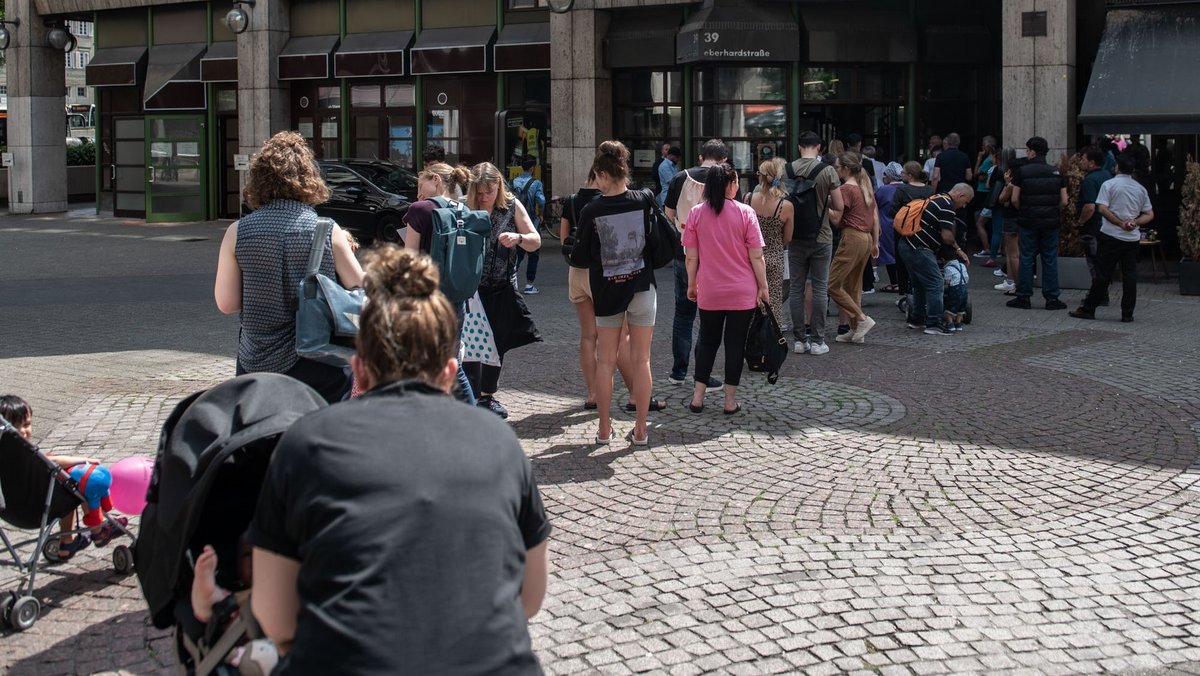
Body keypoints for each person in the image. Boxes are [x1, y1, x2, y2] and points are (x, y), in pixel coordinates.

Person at [250, 246, 550, 674]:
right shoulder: (500, 443)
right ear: (450, 373)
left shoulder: (306, 443)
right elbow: (529, 598)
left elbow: (275, 617)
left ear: (358, 369)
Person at [214, 131, 364, 404]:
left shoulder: (237, 232)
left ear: (258, 180)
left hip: (255, 360)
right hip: (318, 358)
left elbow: (226, 303)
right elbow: (360, 285)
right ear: (309, 178)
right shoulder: (328, 231)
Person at [571, 141, 657, 446]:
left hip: (607, 291)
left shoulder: (592, 210)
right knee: (642, 359)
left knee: (605, 361)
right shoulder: (644, 199)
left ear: (602, 175)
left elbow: (580, 258)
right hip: (642, 286)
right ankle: (642, 430)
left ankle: (605, 429)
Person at [560, 172, 654, 413]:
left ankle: (592, 394)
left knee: (588, 336)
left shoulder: (571, 201)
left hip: (576, 274)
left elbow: (564, 243)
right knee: (618, 337)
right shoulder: (607, 202)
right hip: (602, 275)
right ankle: (636, 394)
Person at [683, 163, 769, 415]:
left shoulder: (697, 213)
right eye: (736, 182)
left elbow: (691, 257)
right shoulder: (746, 213)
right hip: (741, 292)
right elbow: (756, 256)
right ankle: (729, 402)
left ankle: (697, 398)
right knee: (735, 345)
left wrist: (691, 284)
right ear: (731, 184)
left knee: (707, 342)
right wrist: (763, 288)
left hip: (709, 290)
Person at [0, 395, 127, 561]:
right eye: (17, 428)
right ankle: (99, 529)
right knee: (75, 483)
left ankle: (67, 543)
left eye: (27, 425)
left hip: (12, 513)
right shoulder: (25, 455)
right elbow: (51, 462)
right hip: (38, 511)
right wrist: (83, 460)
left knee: (61, 486)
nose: (23, 431)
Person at [465, 162, 542, 418]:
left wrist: (518, 238)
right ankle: (470, 394)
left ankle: (487, 395)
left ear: (498, 186)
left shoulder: (511, 206)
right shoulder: (464, 208)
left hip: (502, 286)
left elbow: (535, 241)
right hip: (470, 288)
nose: (484, 197)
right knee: (469, 341)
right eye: (479, 192)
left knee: (497, 342)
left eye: (488, 191)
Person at [402, 161, 478, 405]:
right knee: (450, 364)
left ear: (435, 178)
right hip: (456, 297)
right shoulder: (463, 209)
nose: (418, 193)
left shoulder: (420, 209)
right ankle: (471, 420)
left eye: (419, 184)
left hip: (424, 298)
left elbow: (409, 258)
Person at [663, 139, 731, 387]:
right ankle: (702, 374)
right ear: (724, 159)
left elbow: (668, 214)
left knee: (683, 313)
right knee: (709, 318)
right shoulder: (727, 179)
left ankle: (678, 371)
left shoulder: (680, 177)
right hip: (716, 257)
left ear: (701, 156)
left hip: (684, 254)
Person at [1070, 154, 1154, 323]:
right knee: (1130, 275)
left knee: (1103, 273)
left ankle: (1089, 307)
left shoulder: (1109, 185)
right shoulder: (1140, 189)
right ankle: (1127, 313)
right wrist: (1134, 222)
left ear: (1117, 167)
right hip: (1132, 238)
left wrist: (1119, 223)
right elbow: (1149, 214)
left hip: (1111, 236)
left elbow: (1102, 208)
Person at [788, 131, 845, 356]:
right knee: (820, 287)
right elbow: (839, 206)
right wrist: (824, 199)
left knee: (796, 288)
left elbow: (779, 196)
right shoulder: (827, 170)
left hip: (795, 236)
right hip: (821, 236)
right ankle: (818, 339)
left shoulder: (787, 169)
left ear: (799, 147)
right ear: (820, 148)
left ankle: (799, 340)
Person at [896, 184, 974, 335]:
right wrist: (958, 250)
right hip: (919, 248)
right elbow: (947, 235)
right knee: (936, 283)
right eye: (965, 202)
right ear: (960, 195)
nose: (963, 206)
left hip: (907, 245)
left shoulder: (937, 198)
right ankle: (933, 323)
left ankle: (917, 319)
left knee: (919, 284)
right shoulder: (947, 205)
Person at [1007, 136, 1069, 310]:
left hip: (1028, 220)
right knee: (1049, 258)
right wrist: (1053, 210)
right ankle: (1052, 298)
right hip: (1051, 222)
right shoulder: (1056, 172)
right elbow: (1064, 201)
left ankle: (1024, 297)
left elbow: (1014, 199)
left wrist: (1024, 209)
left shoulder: (1022, 172)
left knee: (1026, 257)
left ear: (1032, 152)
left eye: (1027, 150)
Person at [827, 152, 881, 345]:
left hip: (852, 237)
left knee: (833, 285)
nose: (836, 170)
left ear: (846, 169)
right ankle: (855, 329)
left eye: (838, 167)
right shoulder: (864, 187)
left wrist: (824, 203)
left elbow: (836, 218)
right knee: (853, 287)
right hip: (865, 238)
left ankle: (861, 319)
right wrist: (875, 242)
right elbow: (874, 217)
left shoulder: (846, 189)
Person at [748, 158, 794, 328]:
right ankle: (772, 338)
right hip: (775, 256)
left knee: (750, 300)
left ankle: (751, 336)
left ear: (760, 176)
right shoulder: (786, 205)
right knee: (773, 301)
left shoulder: (748, 199)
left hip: (750, 256)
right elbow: (788, 237)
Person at [888, 161, 935, 306]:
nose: (901, 174)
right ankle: (922, 291)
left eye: (903, 172)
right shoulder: (929, 190)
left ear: (909, 175)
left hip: (904, 231)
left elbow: (893, 211)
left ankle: (906, 293)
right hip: (924, 231)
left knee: (903, 264)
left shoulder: (902, 190)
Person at [1076, 146, 1114, 302]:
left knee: (1094, 262)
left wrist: (1080, 221)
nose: (1081, 162)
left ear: (1092, 163)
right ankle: (1101, 293)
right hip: (1107, 226)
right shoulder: (1108, 176)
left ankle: (1098, 295)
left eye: (1083, 159)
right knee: (1103, 262)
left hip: (1093, 227)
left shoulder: (1090, 180)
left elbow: (1090, 206)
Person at [991, 147, 1023, 294]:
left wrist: (1006, 183)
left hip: (1011, 218)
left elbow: (1002, 199)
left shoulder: (1011, 184)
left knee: (1012, 253)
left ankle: (1014, 283)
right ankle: (1014, 282)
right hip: (1023, 218)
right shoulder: (1024, 182)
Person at [512, 157, 546, 295]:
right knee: (533, 253)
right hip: (531, 221)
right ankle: (529, 284)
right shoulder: (536, 183)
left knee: (517, 253)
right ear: (532, 168)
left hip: (516, 221)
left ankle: (511, 280)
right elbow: (541, 200)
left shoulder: (514, 182)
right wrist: (542, 214)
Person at [875, 162, 904, 293]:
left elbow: (875, 204)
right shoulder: (906, 188)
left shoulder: (884, 190)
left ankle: (894, 282)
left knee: (889, 254)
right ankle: (902, 281)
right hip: (903, 224)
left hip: (886, 224)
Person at [972, 137, 998, 261]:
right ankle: (994, 248)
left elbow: (976, 172)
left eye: (983, 146)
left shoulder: (988, 160)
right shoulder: (992, 161)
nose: (982, 148)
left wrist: (978, 158)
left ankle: (987, 248)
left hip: (985, 193)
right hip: (988, 194)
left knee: (980, 221)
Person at [942, 256, 970, 331]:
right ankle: (958, 323)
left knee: (950, 306)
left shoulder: (948, 268)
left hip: (955, 289)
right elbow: (967, 277)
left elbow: (947, 281)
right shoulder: (962, 265)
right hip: (964, 288)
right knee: (961, 307)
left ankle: (950, 324)